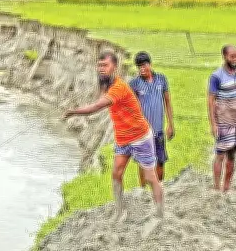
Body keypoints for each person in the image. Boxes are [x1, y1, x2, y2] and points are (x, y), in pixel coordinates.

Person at [64, 50, 165, 223]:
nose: (101, 69)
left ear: (115, 67)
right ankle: (120, 211)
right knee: (116, 173)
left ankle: (159, 213)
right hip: (123, 138)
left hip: (139, 136)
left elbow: (96, 107)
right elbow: (100, 95)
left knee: (150, 176)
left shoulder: (118, 88)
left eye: (105, 65)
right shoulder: (106, 84)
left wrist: (73, 111)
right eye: (99, 65)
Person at [208, 45, 236, 193]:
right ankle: (216, 187)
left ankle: (226, 187)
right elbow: (211, 101)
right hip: (223, 121)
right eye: (232, 56)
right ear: (224, 56)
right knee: (220, 154)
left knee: (232, 154)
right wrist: (213, 124)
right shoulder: (216, 76)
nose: (235, 59)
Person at [129, 51, 175, 188]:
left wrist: (170, 125)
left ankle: (159, 187)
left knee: (160, 161)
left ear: (150, 64)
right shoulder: (134, 84)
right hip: (142, 132)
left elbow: (167, 102)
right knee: (143, 162)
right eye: (139, 67)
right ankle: (142, 191)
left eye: (144, 66)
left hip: (159, 129)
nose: (142, 69)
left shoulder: (161, 79)